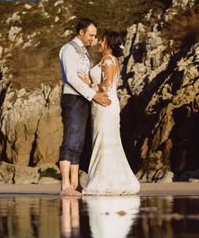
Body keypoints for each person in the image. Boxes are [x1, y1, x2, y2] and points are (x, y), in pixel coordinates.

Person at [77, 31, 140, 195]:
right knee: (107, 141)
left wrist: (88, 85)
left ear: (108, 44)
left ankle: (104, 182)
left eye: (102, 40)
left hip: (104, 105)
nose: (99, 42)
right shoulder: (111, 60)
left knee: (103, 141)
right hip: (104, 105)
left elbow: (106, 85)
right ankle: (112, 180)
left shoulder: (107, 60)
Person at [58, 18, 111, 197]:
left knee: (79, 142)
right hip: (72, 98)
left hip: (84, 99)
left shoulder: (86, 54)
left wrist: (91, 85)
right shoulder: (68, 49)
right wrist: (94, 95)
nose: (93, 39)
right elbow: (72, 78)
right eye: (91, 35)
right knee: (70, 139)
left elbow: (86, 78)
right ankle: (65, 185)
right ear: (80, 32)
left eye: (95, 36)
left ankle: (75, 184)